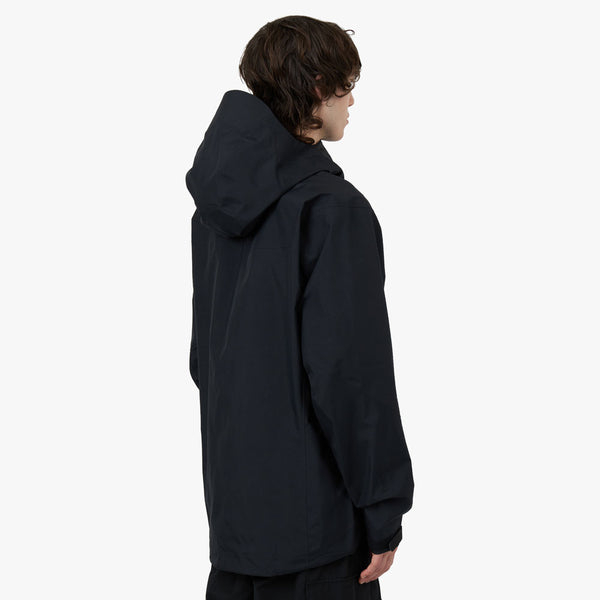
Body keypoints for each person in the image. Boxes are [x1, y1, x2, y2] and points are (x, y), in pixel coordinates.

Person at [185, 15, 414, 600]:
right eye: (346, 86)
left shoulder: (211, 214)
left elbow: (204, 362)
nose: (352, 101)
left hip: (234, 532)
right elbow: (351, 378)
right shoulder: (332, 210)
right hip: (321, 540)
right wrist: (383, 509)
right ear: (317, 87)